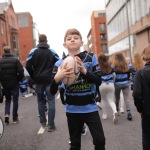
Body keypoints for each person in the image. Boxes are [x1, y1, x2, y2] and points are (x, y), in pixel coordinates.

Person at [50, 28, 105, 150]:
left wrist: (84, 71)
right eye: (69, 39)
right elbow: (52, 91)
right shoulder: (60, 63)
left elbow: (99, 81)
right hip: (72, 110)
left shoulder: (90, 58)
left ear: (81, 42)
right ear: (65, 44)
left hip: (90, 108)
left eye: (75, 38)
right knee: (75, 145)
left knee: (100, 141)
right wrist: (57, 78)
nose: (72, 40)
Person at [26, 34, 59, 132]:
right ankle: (51, 125)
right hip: (49, 79)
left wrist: (33, 76)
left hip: (38, 80)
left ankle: (43, 122)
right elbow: (59, 62)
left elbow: (28, 65)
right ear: (46, 41)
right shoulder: (52, 51)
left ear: (38, 42)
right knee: (51, 100)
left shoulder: (33, 51)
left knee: (40, 101)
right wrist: (54, 73)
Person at [0, 46, 24, 124]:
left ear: (3, 51)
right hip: (14, 82)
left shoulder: (0, 61)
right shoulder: (15, 60)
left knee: (7, 99)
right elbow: (21, 70)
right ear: (10, 51)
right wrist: (19, 79)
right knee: (15, 100)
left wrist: (1, 80)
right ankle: (14, 118)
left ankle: (7, 114)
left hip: (5, 83)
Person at [133, 44, 150, 150]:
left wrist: (140, 109)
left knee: (147, 138)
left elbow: (136, 94)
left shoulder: (140, 73)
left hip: (148, 112)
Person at [111, 52, 132, 121]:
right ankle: (129, 113)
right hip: (126, 83)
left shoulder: (114, 66)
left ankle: (116, 110)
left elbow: (112, 74)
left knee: (117, 98)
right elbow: (129, 73)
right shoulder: (126, 65)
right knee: (126, 98)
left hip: (117, 84)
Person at [98, 53, 118, 124]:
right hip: (111, 84)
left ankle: (105, 115)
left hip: (102, 84)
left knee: (103, 100)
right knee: (111, 100)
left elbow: (97, 77)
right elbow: (114, 75)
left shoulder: (98, 67)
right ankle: (115, 111)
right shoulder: (110, 66)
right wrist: (113, 82)